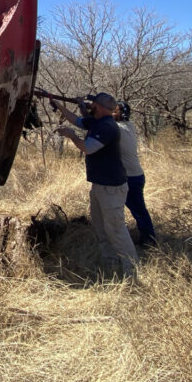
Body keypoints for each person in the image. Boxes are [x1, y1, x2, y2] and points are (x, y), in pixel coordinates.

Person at [54, 92, 139, 278]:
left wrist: (72, 136)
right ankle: (110, 265)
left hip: (112, 187)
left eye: (92, 103)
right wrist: (56, 103)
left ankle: (131, 272)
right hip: (100, 185)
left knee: (116, 229)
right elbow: (77, 119)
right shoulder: (97, 121)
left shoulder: (108, 127)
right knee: (101, 228)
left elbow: (88, 148)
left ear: (100, 107)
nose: (89, 105)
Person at [114, 101, 156, 247]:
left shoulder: (117, 128)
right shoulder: (129, 125)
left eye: (114, 111)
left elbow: (96, 122)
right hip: (137, 175)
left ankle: (149, 240)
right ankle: (147, 237)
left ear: (120, 113)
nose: (111, 113)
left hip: (130, 176)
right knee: (139, 209)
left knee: (138, 210)